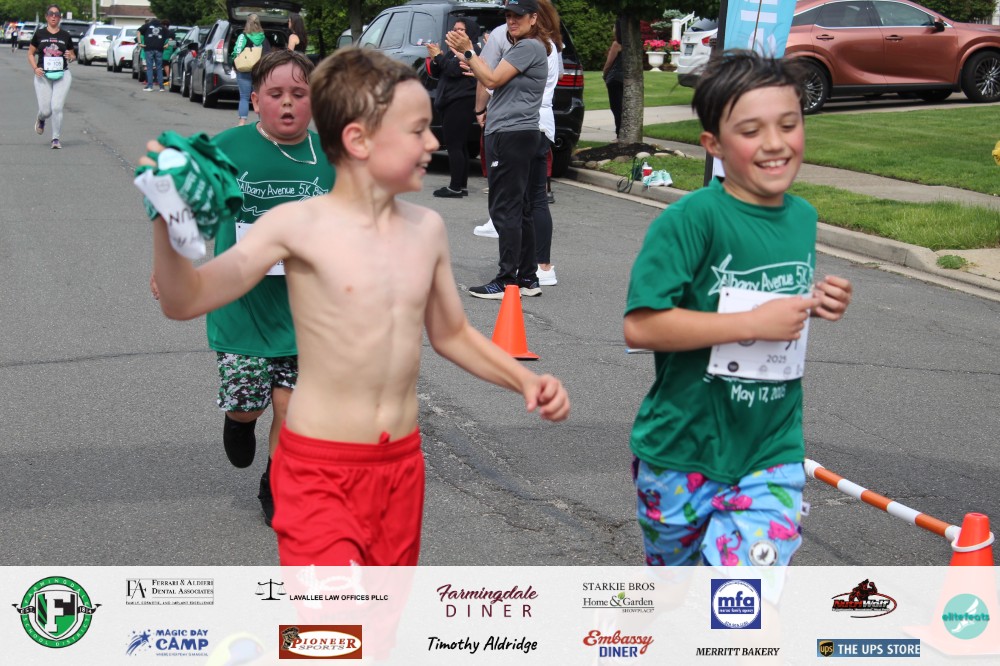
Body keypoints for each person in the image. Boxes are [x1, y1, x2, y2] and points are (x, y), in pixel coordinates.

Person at [143, 47, 569, 566]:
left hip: (400, 462)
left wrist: (523, 380)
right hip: (319, 460)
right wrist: (167, 220)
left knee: (384, 608)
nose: (433, 143)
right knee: (332, 614)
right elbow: (185, 299)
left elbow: (451, 334)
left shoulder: (426, 229)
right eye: (417, 131)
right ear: (359, 139)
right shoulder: (295, 226)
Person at [623, 50, 852, 570]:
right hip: (681, 452)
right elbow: (640, 326)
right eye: (751, 130)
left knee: (737, 601)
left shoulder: (803, 217)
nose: (775, 143)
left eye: (788, 125)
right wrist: (752, 324)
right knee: (676, 593)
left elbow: (767, 296)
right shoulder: (691, 219)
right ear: (714, 145)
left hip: (771, 450)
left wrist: (816, 301)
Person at [149, 50, 335, 526]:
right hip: (240, 305)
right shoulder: (228, 147)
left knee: (292, 408)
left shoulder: (331, 158)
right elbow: (184, 202)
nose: (288, 103)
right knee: (249, 404)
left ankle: (277, 483)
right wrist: (170, 264)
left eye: (299, 93)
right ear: (255, 101)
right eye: (276, 94)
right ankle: (239, 421)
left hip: (306, 312)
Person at [446, 0, 551, 299]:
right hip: (518, 132)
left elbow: (492, 79)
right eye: (508, 16)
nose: (512, 21)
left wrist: (470, 52)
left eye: (518, 16)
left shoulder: (528, 46)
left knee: (505, 209)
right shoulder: (525, 47)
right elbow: (494, 78)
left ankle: (507, 280)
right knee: (522, 208)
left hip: (511, 133)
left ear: (534, 18)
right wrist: (472, 62)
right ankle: (527, 278)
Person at [425, 18, 479, 198]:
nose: (456, 32)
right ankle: (461, 185)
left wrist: (439, 57)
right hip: (450, 102)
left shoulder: (472, 52)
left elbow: (454, 70)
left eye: (461, 30)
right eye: (454, 29)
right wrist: (436, 57)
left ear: (470, 33)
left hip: (461, 102)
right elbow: (438, 71)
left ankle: (455, 187)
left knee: (454, 145)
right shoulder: (453, 51)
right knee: (459, 144)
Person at [530, 0, 561, 287]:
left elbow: (499, 83)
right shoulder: (550, 46)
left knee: (528, 198)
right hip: (541, 123)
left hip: (530, 122)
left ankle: (539, 264)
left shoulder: (538, 47)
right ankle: (541, 263)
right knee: (535, 197)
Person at [27, 5, 74, 150]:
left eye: (56, 14)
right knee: (46, 110)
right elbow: (30, 53)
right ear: (46, 16)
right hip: (43, 75)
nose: (54, 16)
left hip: (62, 74)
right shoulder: (39, 34)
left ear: (60, 17)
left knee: (57, 107)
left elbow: (72, 55)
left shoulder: (65, 35)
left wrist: (70, 56)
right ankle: (41, 118)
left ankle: (55, 139)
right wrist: (35, 68)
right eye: (51, 13)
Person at [232, 13, 269, 126]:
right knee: (259, 97)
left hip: (244, 70)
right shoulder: (263, 38)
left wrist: (234, 62)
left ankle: (242, 122)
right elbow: (268, 55)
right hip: (258, 72)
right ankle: (263, 122)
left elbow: (236, 51)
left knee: (244, 97)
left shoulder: (243, 36)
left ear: (247, 23)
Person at [602, 20, 623, 141]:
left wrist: (604, 74)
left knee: (616, 107)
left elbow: (609, 63)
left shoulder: (616, 44)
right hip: (626, 79)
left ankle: (619, 134)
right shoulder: (631, 44)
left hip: (615, 79)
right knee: (623, 107)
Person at [139, 16, 169, 92]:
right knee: (159, 68)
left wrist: (140, 43)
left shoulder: (147, 25)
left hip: (148, 48)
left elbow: (138, 31)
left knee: (149, 68)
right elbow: (170, 35)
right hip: (159, 49)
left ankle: (150, 86)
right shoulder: (162, 27)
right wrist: (167, 44)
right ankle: (161, 87)